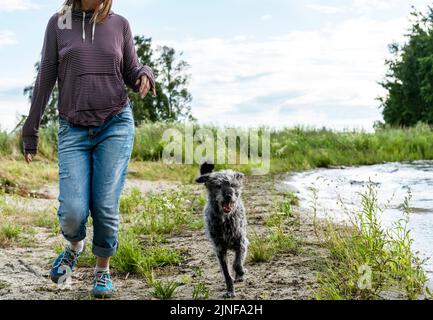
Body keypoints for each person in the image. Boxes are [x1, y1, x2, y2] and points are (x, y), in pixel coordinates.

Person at [21, 0, 156, 298]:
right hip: (73, 127)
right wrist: (31, 129)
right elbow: (45, 77)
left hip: (115, 124)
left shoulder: (119, 24)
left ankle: (102, 271)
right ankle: (74, 246)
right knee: (72, 211)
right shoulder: (59, 23)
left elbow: (131, 68)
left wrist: (145, 73)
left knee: (105, 204)